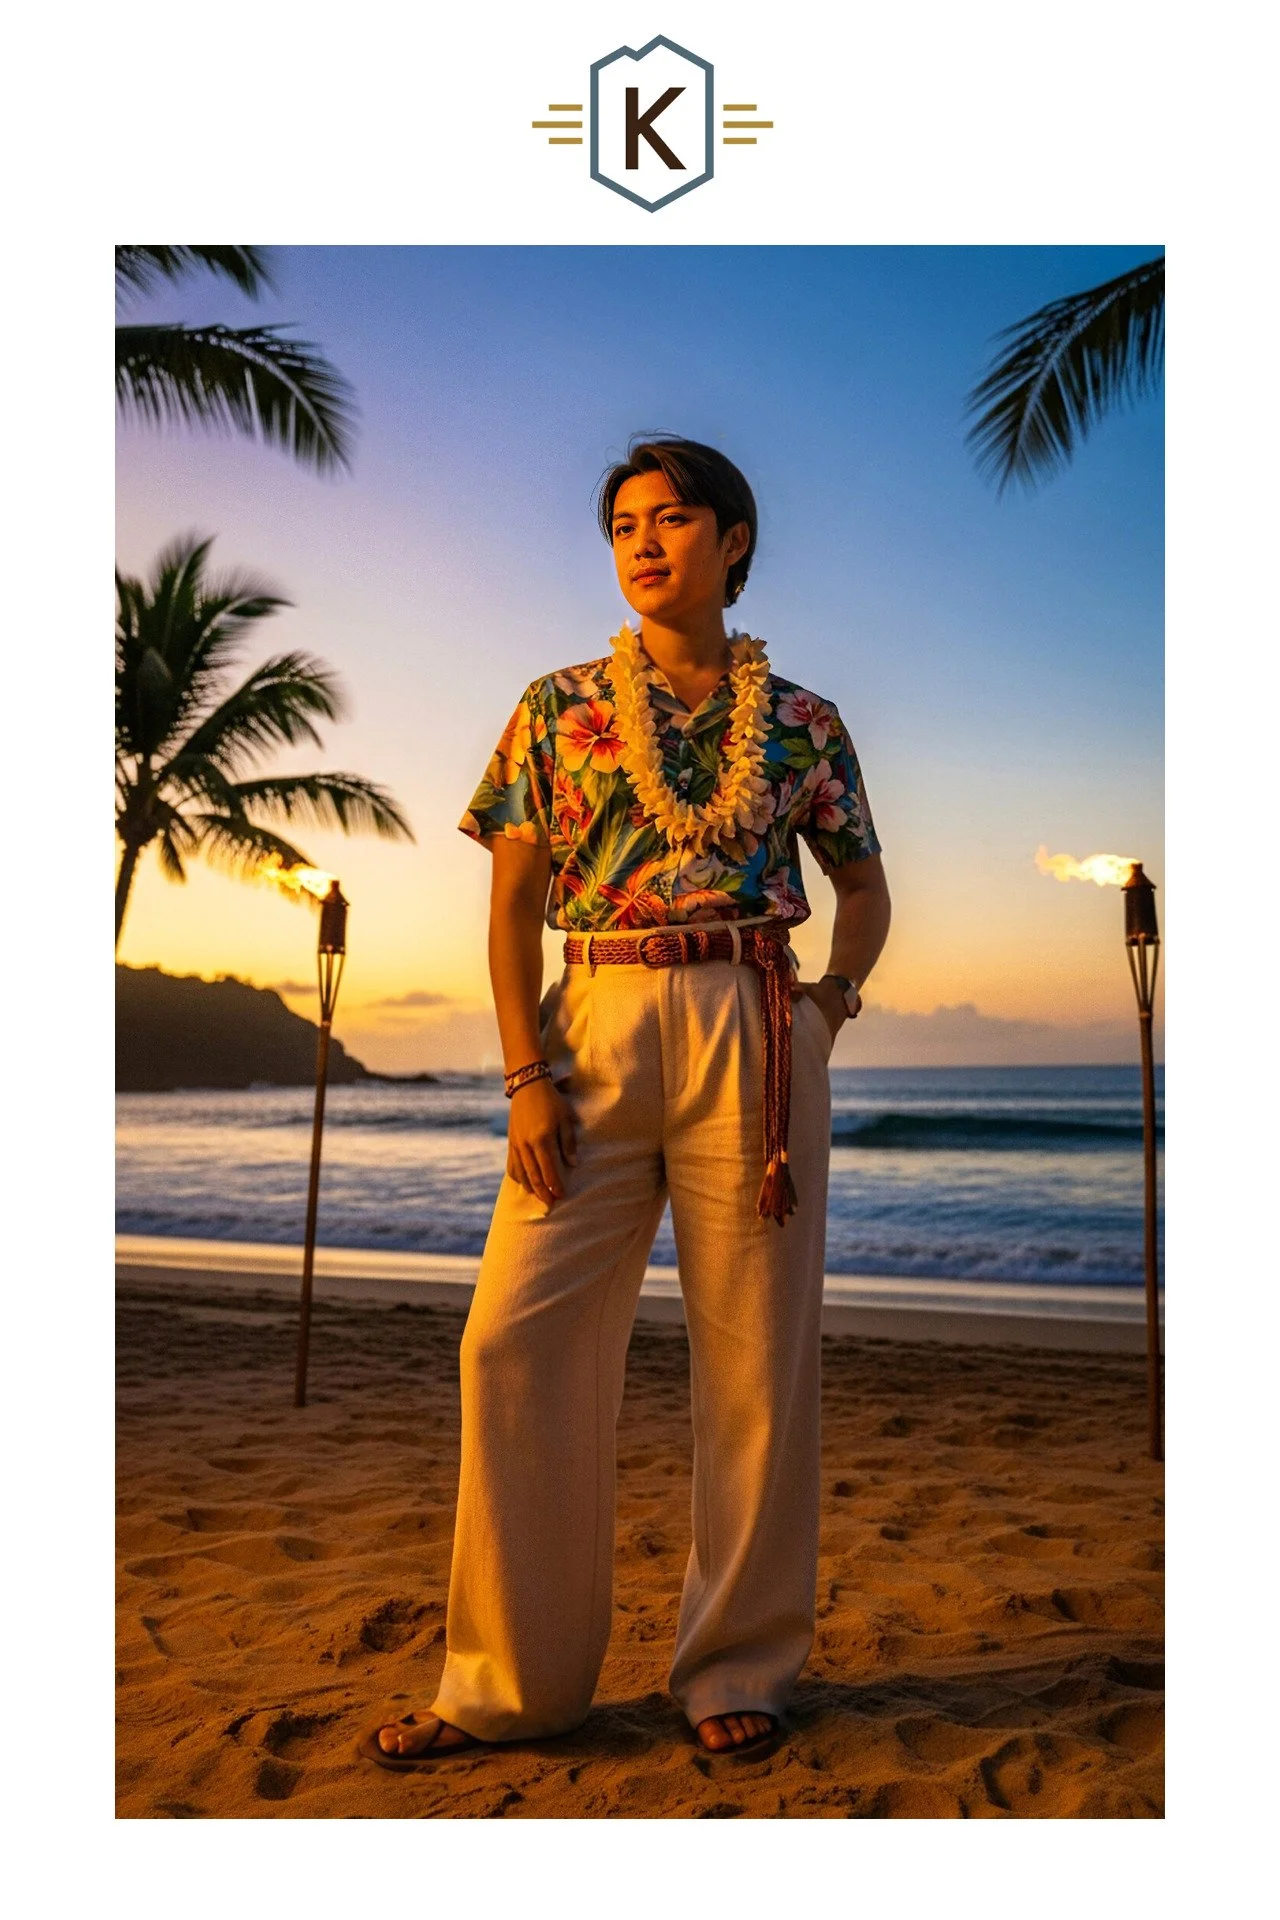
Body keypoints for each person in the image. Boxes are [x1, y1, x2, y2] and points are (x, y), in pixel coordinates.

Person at [362, 434, 891, 1771]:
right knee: (511, 1340)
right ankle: (507, 1685)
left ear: (735, 539)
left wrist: (827, 1011)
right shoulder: (554, 706)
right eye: (623, 524)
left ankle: (739, 1666)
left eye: (672, 518)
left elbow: (865, 888)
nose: (645, 541)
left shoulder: (806, 721)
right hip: (590, 1023)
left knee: (756, 1365)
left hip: (754, 1025)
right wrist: (523, 1075)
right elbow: (514, 906)